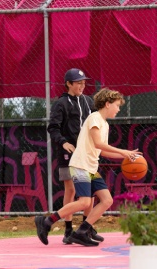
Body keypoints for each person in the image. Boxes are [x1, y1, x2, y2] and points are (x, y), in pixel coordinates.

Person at [36, 88, 139, 247]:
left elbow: (102, 150)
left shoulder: (104, 123)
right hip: (80, 165)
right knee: (84, 202)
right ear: (107, 104)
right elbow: (98, 143)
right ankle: (47, 221)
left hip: (91, 168)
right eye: (117, 105)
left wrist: (126, 155)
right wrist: (123, 151)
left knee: (107, 200)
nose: (119, 109)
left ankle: (82, 231)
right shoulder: (94, 118)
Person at [47, 68, 101, 244]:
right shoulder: (61, 103)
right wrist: (64, 142)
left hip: (86, 154)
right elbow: (53, 128)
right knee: (70, 190)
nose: (82, 85)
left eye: (84, 82)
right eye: (78, 83)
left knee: (90, 191)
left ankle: (86, 228)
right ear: (68, 84)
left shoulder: (87, 101)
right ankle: (68, 229)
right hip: (68, 153)